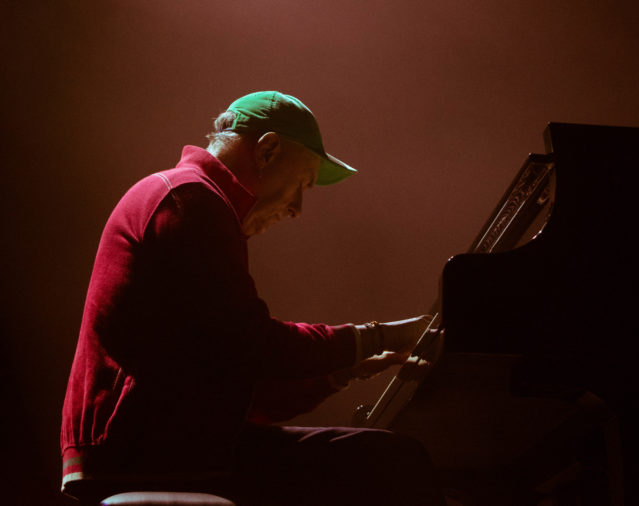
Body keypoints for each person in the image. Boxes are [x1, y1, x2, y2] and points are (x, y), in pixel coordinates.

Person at [60, 91, 446, 506]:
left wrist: (343, 371)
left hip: (159, 443)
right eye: (301, 185)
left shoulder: (189, 197)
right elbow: (255, 346)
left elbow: (233, 378)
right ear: (268, 149)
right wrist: (381, 336)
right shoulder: (189, 199)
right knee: (389, 460)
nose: (297, 208)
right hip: (144, 452)